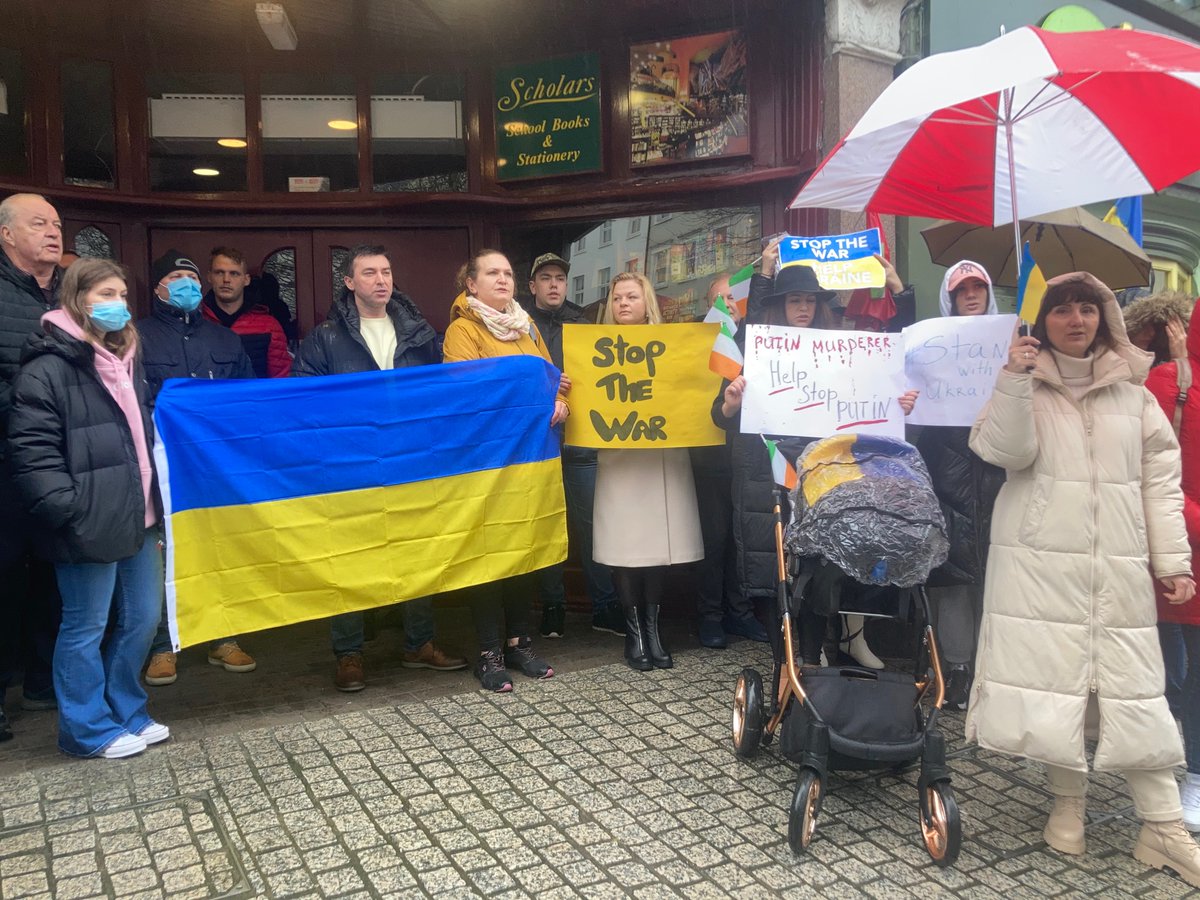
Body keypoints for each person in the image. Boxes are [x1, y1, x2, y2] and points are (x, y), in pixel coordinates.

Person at [968, 271, 1200, 886]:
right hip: (1041, 562)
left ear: (1106, 317)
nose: (1076, 320)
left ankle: (1164, 828)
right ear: (1042, 323)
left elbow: (1160, 484)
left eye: (1087, 309)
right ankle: (1067, 807)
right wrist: (1015, 380)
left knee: (1134, 689)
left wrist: (1173, 562)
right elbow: (1004, 453)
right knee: (1060, 686)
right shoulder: (1019, 384)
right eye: (1062, 310)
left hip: (1116, 564)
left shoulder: (1136, 393)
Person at [7, 259, 168, 759]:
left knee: (142, 617)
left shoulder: (128, 359)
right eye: (105, 293)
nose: (117, 303)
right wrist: (69, 512)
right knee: (85, 625)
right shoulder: (47, 368)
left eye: (122, 293)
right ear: (78, 299)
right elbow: (32, 450)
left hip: (138, 516)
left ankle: (126, 709)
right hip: (87, 520)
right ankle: (84, 727)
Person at [294, 244, 466, 691]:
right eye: (368, 273)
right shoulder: (325, 338)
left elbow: (439, 396)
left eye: (386, 271)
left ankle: (419, 643)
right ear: (350, 283)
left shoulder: (422, 335)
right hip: (351, 464)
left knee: (415, 552)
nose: (380, 280)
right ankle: (349, 653)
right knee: (349, 558)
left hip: (409, 460)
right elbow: (302, 401)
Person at [442, 249, 568, 692]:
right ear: (471, 284)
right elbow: (467, 395)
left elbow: (548, 380)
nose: (503, 280)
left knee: (522, 549)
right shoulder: (462, 330)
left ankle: (520, 642)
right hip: (485, 461)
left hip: (527, 460)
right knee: (489, 555)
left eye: (508, 273)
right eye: (492, 273)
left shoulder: (526, 325)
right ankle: (489, 651)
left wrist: (558, 401)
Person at [136, 250, 259, 685]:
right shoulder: (136, 337)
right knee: (164, 557)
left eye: (191, 277)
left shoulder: (225, 341)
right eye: (176, 277)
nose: (186, 285)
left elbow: (245, 404)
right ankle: (161, 646)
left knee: (219, 550)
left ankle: (222, 636)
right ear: (158, 287)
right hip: (162, 469)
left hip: (214, 469)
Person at [592, 273, 704, 670]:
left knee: (657, 547)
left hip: (661, 457)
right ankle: (634, 632)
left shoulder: (671, 345)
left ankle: (654, 630)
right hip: (621, 459)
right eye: (617, 297)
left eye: (632, 296)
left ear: (647, 301)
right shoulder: (594, 349)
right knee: (624, 548)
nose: (623, 303)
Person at [915, 260, 1005, 709]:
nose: (970, 295)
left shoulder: (1014, 343)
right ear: (948, 298)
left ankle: (995, 670)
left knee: (997, 580)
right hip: (946, 480)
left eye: (978, 286)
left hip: (997, 481)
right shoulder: (931, 344)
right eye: (961, 289)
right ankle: (957, 668)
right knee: (951, 579)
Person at [520, 252, 622, 639]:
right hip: (539, 441)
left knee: (593, 524)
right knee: (547, 526)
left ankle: (605, 604)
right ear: (533, 286)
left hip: (582, 437)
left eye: (560, 278)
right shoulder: (520, 328)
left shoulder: (586, 325)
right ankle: (553, 606)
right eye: (545, 278)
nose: (553, 285)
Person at [0, 193, 65, 741]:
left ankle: (45, 682)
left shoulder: (74, 294)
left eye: (57, 224)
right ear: (7, 235)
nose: (53, 231)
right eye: (39, 223)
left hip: (62, 465)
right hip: (6, 461)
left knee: (54, 574)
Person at [1124, 291, 1196, 717]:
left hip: (1162, 519)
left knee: (1164, 629)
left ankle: (1167, 708)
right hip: (1164, 518)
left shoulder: (1165, 380)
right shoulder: (1163, 380)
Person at [1145, 298, 1200, 832]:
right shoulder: (1169, 381)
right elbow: (1152, 468)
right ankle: (1166, 769)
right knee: (1167, 668)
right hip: (1174, 548)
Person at [690, 271, 767, 649]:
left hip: (747, 458)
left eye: (733, 299)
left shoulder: (759, 344)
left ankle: (741, 613)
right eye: (720, 300)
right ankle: (710, 617)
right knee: (714, 538)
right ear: (709, 307)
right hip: (708, 458)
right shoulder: (694, 346)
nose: (728, 307)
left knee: (741, 539)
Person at [203, 246, 291, 378]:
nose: (226, 279)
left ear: (246, 279)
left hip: (256, 398)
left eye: (234, 273)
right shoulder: (196, 323)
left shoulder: (268, 326)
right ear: (209, 277)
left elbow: (282, 380)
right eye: (219, 272)